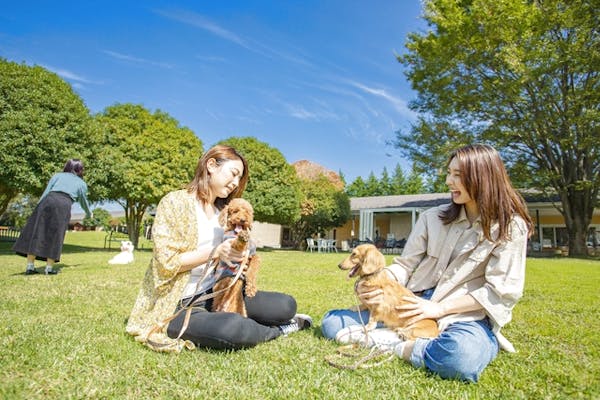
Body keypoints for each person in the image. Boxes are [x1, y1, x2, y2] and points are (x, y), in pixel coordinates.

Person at [321, 144, 533, 382]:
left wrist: (439, 309)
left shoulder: (510, 227)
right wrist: (381, 287)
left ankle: (400, 345)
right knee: (331, 323)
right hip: (410, 305)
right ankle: (403, 335)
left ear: (483, 178)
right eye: (449, 173)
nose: (448, 181)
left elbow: (500, 292)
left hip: (462, 315)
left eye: (458, 175)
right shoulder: (432, 218)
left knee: (460, 358)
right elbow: (404, 265)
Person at [126, 144, 312, 352]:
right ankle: (278, 330)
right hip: (180, 303)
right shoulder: (174, 202)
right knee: (232, 328)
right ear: (211, 165)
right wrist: (214, 253)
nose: (235, 183)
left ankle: (272, 320)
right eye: (233, 174)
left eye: (238, 179)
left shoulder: (224, 213)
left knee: (286, 305)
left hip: (221, 291)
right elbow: (165, 263)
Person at [13, 159, 92, 275]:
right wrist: (89, 213)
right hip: (64, 204)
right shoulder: (81, 184)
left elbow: (46, 192)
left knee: (37, 232)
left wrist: (38, 208)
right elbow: (83, 201)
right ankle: (48, 269)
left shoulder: (57, 176)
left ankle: (30, 267)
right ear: (80, 170)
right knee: (57, 234)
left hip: (48, 200)